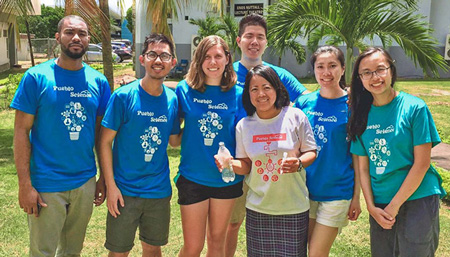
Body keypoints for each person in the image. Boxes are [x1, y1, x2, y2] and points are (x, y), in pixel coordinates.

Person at [10, 15, 111, 256]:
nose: (76, 37)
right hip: (46, 184)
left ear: (88, 40)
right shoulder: (36, 78)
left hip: (84, 183)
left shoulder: (98, 82)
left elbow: (101, 137)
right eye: (69, 32)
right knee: (42, 252)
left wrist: (103, 179)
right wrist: (25, 185)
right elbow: (21, 132)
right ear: (58, 38)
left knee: (72, 252)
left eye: (82, 33)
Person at [348, 47, 446, 257]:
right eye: (367, 72)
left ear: (391, 70)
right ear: (360, 79)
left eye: (380, 69)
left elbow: (422, 164)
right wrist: (372, 207)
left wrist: (394, 206)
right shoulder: (360, 115)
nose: (375, 77)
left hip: (417, 196)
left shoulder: (414, 108)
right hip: (381, 202)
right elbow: (363, 168)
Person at [227, 13, 310, 256]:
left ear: (266, 42)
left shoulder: (278, 75)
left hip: (271, 159)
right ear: (239, 40)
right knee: (232, 223)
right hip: (239, 159)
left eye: (260, 37)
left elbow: (307, 99)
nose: (254, 41)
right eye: (249, 36)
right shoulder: (227, 74)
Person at [219, 64, 316, 256]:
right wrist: (229, 163)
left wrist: (299, 163)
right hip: (258, 208)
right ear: (248, 94)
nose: (261, 94)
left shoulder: (295, 116)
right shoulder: (244, 126)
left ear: (277, 89)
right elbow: (246, 165)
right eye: (254, 89)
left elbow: (311, 151)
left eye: (266, 87)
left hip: (293, 207)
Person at [99, 33, 180, 257]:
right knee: (118, 252)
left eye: (164, 55)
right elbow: (105, 142)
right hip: (124, 191)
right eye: (152, 54)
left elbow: (174, 142)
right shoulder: (123, 97)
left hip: (158, 191)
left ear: (172, 62)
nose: (158, 60)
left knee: (153, 249)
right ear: (142, 59)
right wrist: (111, 186)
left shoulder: (172, 100)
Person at [175, 35, 246, 257]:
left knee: (217, 243)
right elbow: (174, 138)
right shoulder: (184, 90)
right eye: (207, 56)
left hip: (226, 178)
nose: (213, 62)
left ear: (227, 59)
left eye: (218, 56)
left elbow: (245, 136)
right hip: (193, 177)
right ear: (199, 60)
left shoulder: (240, 93)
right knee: (193, 247)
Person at [294, 46, 361, 257]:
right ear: (313, 70)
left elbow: (358, 156)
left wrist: (356, 197)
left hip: (336, 192)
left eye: (332, 66)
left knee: (316, 254)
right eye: (320, 66)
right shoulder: (304, 103)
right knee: (304, 251)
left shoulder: (352, 106)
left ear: (343, 69)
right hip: (304, 191)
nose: (326, 72)